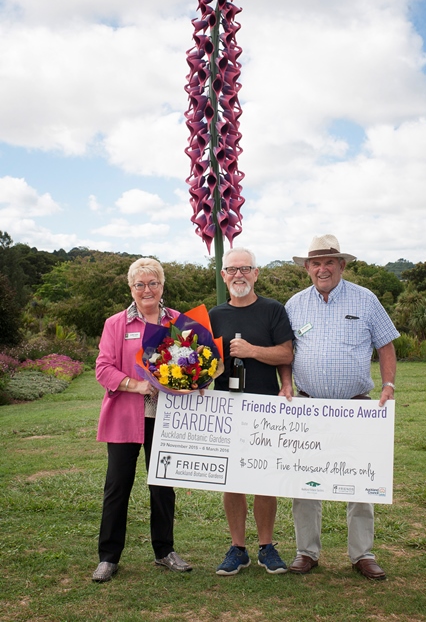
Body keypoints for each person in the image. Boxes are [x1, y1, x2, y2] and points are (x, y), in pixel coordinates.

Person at [279, 234, 399, 581]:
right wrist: (286, 383)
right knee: (305, 481)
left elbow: (386, 345)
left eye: (328, 262)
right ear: (306, 268)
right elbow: (287, 351)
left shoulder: (366, 299)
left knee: (360, 481)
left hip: (356, 407)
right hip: (308, 405)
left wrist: (389, 385)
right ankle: (306, 552)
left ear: (341, 265)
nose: (321, 268)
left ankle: (362, 554)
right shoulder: (295, 304)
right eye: (315, 263)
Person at [92, 258, 192, 583]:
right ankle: (108, 557)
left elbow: (194, 362)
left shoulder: (178, 321)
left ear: (162, 286)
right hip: (126, 418)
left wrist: (192, 380)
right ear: (131, 288)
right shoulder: (116, 324)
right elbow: (103, 368)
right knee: (117, 487)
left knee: (163, 486)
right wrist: (137, 385)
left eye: (153, 283)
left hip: (166, 419)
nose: (147, 290)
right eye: (140, 284)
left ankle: (165, 552)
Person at [209, 247, 294, 576]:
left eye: (245, 268)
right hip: (226, 406)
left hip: (266, 406)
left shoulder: (273, 310)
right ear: (223, 276)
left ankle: (267, 546)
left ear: (256, 273)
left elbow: (286, 353)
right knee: (232, 480)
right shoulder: (214, 316)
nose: (238, 275)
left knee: (265, 478)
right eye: (232, 270)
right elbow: (201, 363)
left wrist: (251, 351)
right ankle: (238, 548)